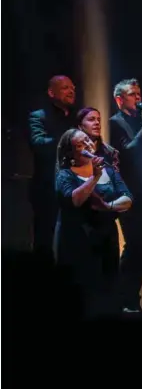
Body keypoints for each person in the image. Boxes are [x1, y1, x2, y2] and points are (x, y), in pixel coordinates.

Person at [54, 128, 133, 318]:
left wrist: (107, 206)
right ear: (71, 153)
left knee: (108, 287)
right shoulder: (65, 175)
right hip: (79, 238)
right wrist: (94, 177)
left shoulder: (109, 171)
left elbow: (128, 198)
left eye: (88, 140)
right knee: (82, 291)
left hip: (106, 237)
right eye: (80, 145)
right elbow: (75, 200)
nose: (88, 145)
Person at [108, 78, 142, 314]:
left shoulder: (140, 121)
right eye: (132, 94)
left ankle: (132, 297)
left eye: (139, 93)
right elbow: (127, 152)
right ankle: (122, 297)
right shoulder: (115, 123)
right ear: (119, 99)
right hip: (128, 194)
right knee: (134, 245)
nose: (138, 98)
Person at [27, 75, 77, 263]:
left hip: (73, 190)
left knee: (70, 244)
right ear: (51, 92)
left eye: (72, 88)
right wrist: (69, 141)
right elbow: (39, 144)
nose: (71, 91)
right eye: (65, 88)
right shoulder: (38, 116)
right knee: (45, 243)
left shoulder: (76, 118)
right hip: (47, 189)